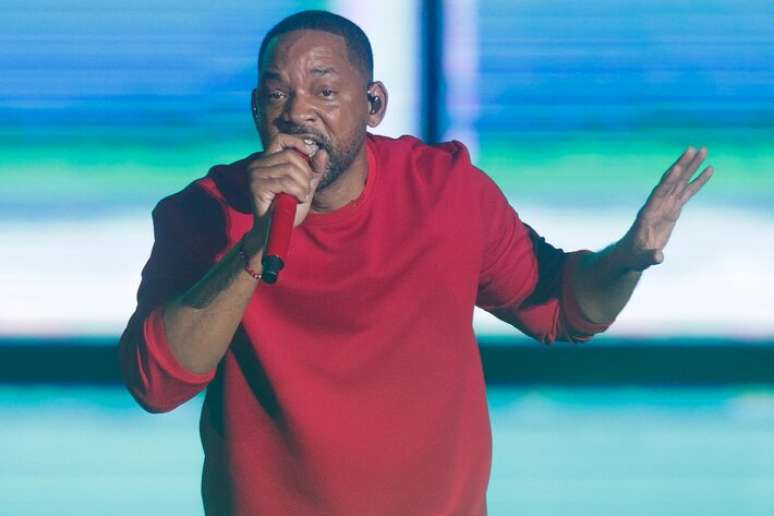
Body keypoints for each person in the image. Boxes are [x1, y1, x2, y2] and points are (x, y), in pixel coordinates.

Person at [119, 9, 714, 516]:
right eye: (277, 94)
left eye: (325, 92)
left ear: (373, 104)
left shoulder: (445, 190)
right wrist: (254, 247)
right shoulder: (202, 213)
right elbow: (157, 385)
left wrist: (629, 258)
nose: (298, 113)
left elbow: (563, 309)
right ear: (256, 108)